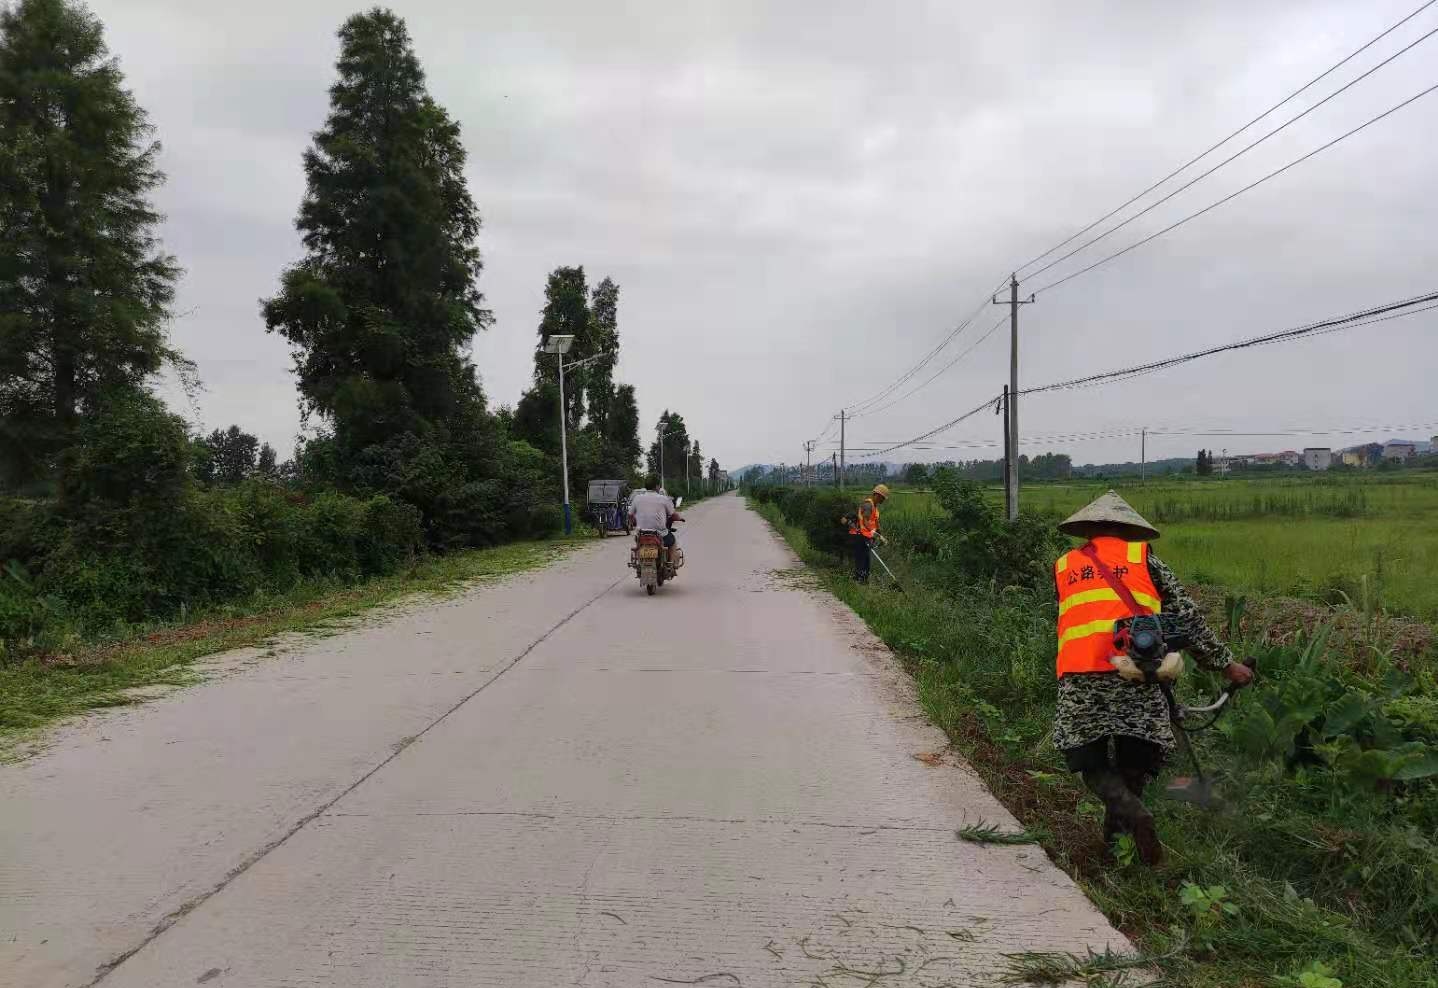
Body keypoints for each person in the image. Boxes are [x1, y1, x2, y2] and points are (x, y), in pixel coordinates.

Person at [1052, 490, 1251, 865]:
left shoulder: (1064, 566)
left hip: (1079, 676)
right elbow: (1186, 618)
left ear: (1089, 530)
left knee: (1088, 760)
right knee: (1135, 761)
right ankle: (1125, 839)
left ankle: (1121, 837)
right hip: (1136, 674)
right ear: (1128, 530)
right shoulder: (1143, 558)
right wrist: (1226, 664)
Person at [628, 475, 683, 568]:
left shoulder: (637, 498)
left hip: (641, 534)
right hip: (660, 534)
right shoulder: (664, 499)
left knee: (638, 542)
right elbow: (673, 515)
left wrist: (634, 522)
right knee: (672, 542)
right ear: (657, 486)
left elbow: (630, 515)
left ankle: (638, 561)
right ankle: (671, 564)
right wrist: (679, 518)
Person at [848, 483, 889, 583]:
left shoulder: (874, 507)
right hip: (860, 536)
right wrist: (876, 535)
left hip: (866, 537)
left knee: (866, 561)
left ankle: (864, 581)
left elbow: (876, 523)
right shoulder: (868, 505)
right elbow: (866, 522)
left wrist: (881, 536)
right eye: (882, 498)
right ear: (877, 495)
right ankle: (858, 582)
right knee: (861, 561)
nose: (883, 500)